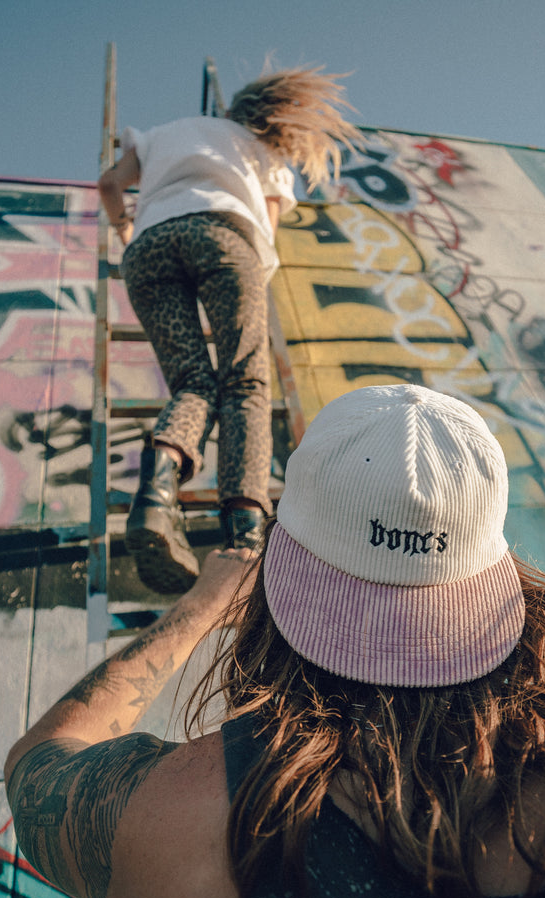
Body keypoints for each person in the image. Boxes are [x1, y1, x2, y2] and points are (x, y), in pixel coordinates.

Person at [5, 383, 545, 898]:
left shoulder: (179, 820)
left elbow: (37, 770)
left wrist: (197, 609)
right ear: (498, 587)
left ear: (279, 578)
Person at [98, 66, 358, 593]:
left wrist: (127, 228)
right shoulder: (262, 150)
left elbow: (108, 185)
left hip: (148, 251)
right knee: (246, 383)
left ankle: (153, 498)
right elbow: (266, 232)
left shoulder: (160, 136)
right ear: (273, 118)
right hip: (224, 240)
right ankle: (245, 533)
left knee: (193, 383)